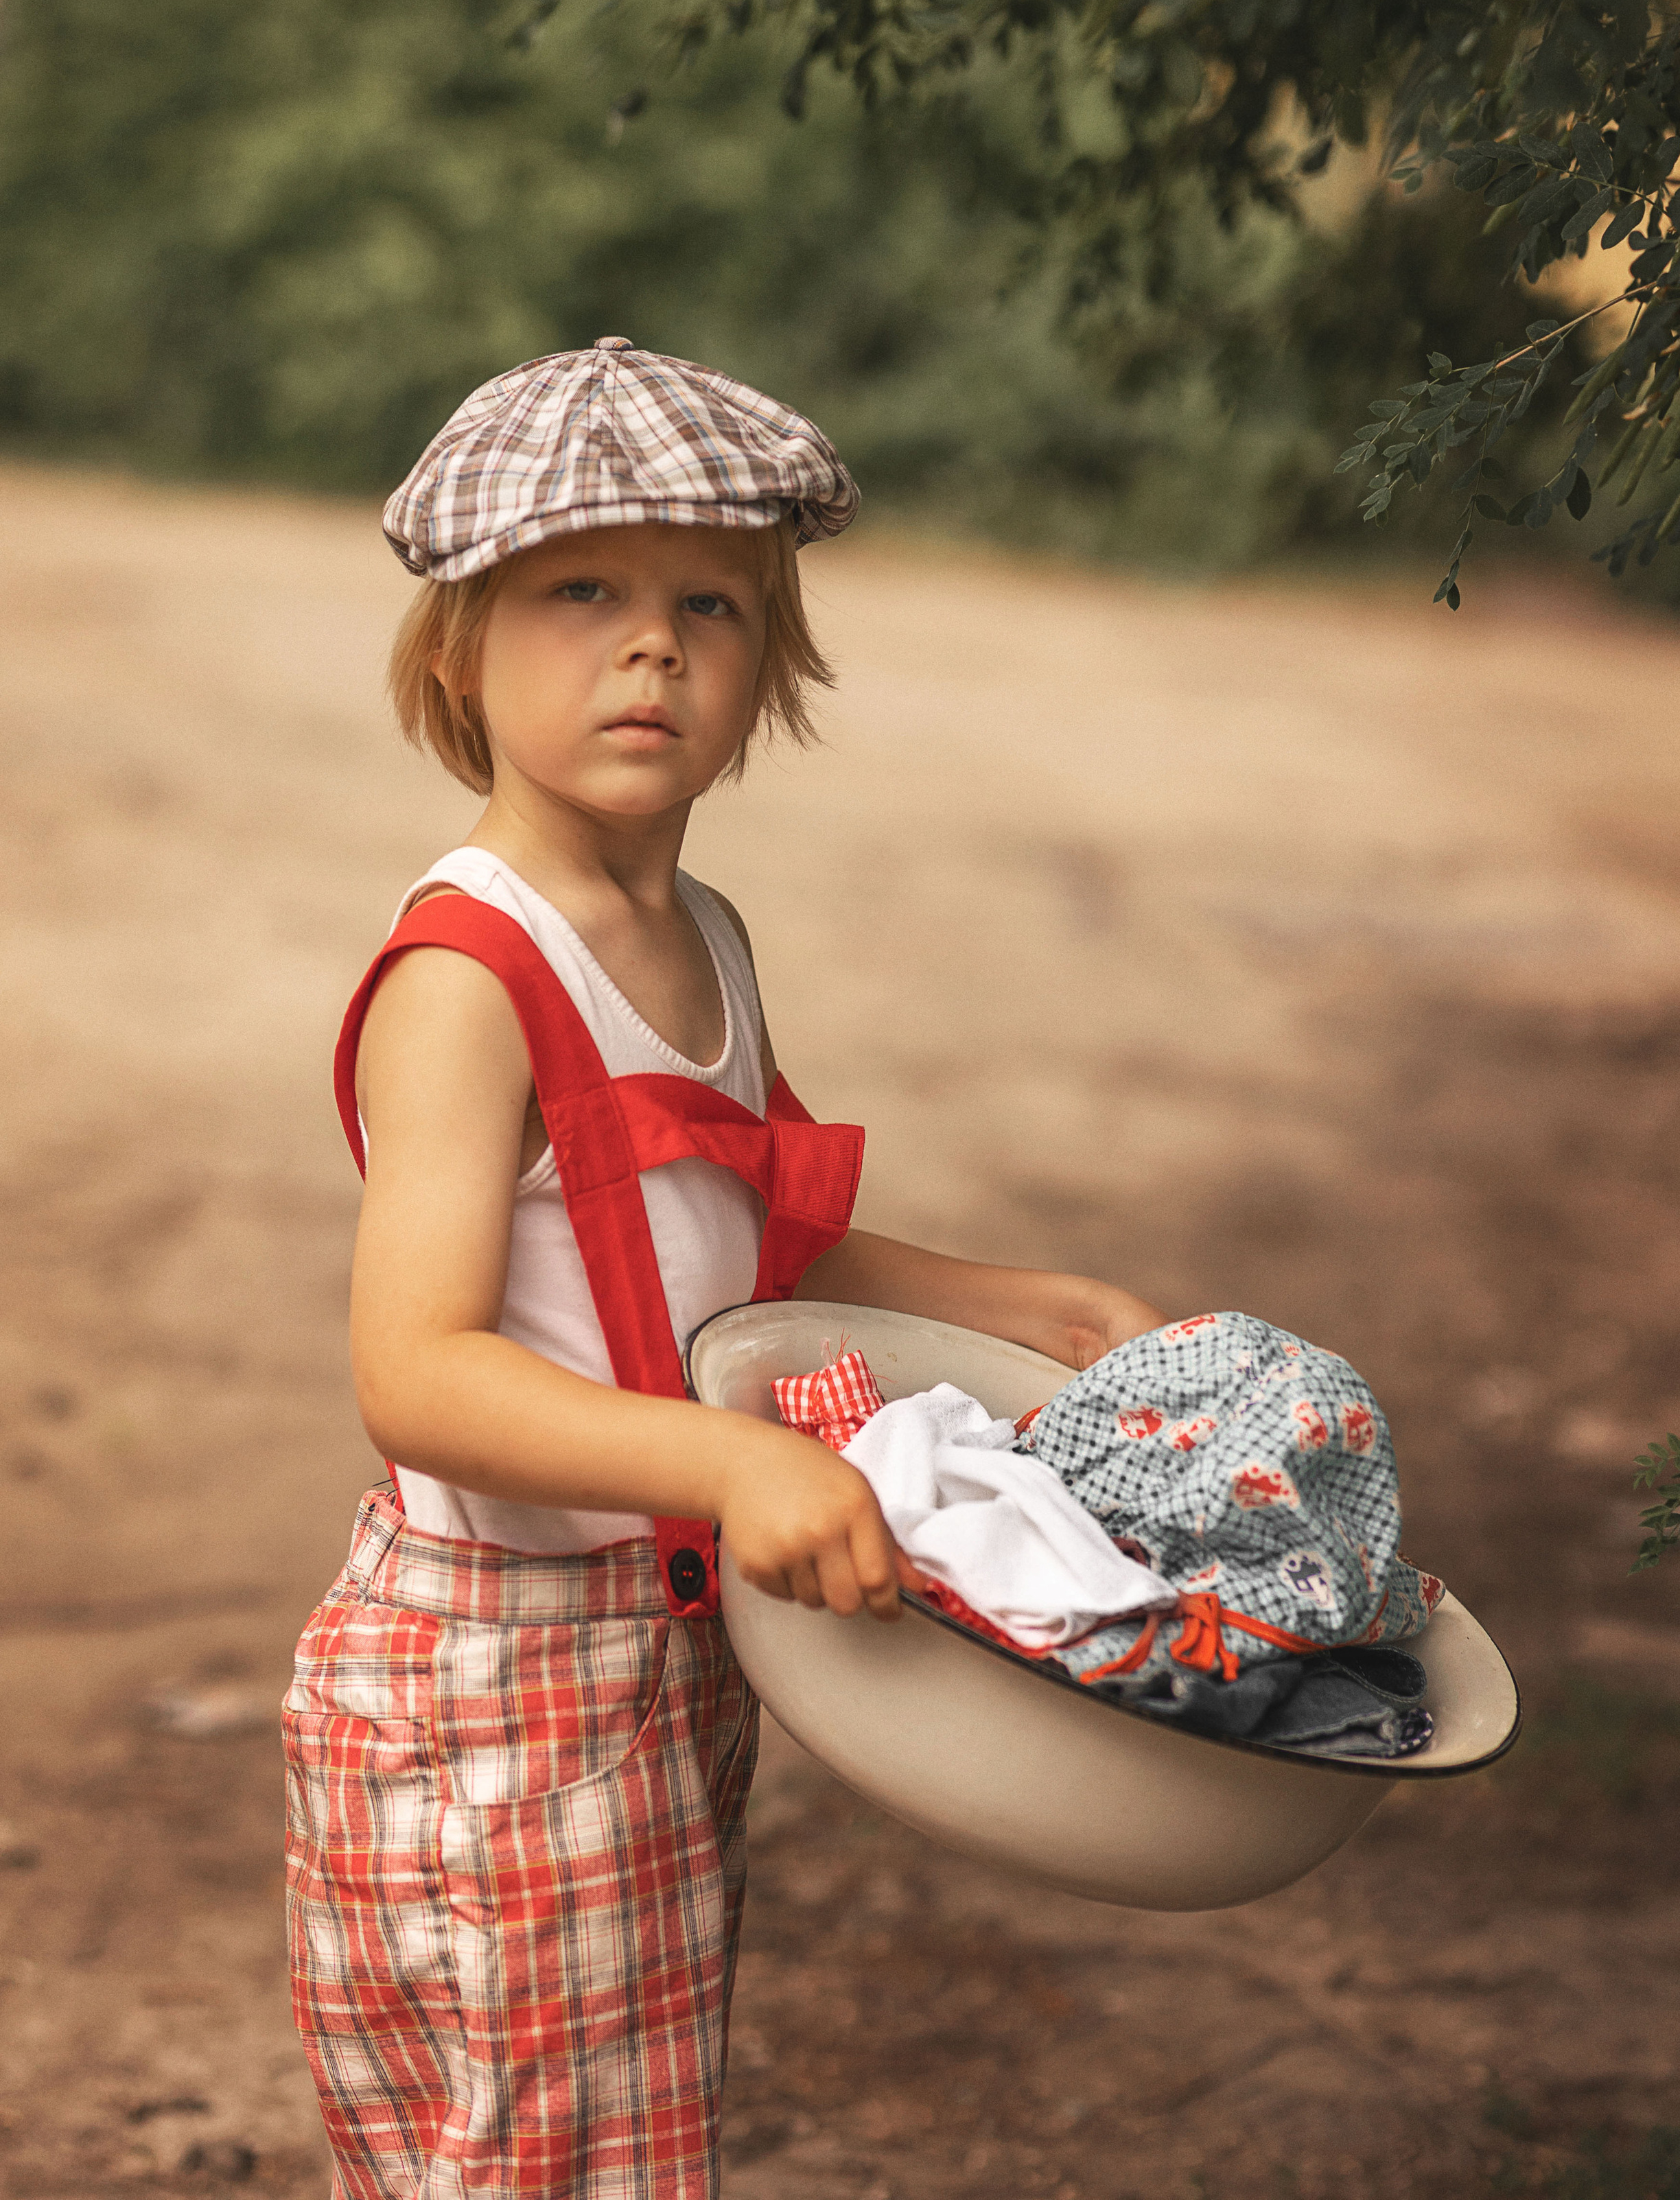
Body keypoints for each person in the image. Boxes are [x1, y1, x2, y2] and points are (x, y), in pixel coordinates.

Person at [283, 336, 1172, 2200]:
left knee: (619, 2138)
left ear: (771, 665)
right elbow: (418, 1371)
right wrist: (737, 1459)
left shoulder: (700, 933)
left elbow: (729, 1226)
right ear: (458, 643)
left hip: (652, 1665)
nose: (653, 646)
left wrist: (1010, 1303)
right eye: (581, 592)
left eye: (713, 604)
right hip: (492, 1681)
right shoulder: (473, 977)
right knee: (538, 2163)